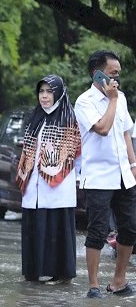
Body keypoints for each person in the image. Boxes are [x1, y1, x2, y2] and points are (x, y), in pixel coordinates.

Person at [74, 50, 136, 298]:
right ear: (97, 74)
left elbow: (125, 133)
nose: (116, 79)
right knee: (98, 231)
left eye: (118, 74)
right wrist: (111, 101)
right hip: (98, 176)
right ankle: (93, 284)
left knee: (130, 228)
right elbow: (102, 128)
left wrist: (133, 165)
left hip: (124, 175)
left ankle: (119, 280)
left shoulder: (120, 97)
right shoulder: (84, 101)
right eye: (112, 74)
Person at [16, 75, 81, 284]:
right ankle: (33, 271)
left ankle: (61, 274)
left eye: (49, 92)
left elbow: (74, 154)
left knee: (56, 227)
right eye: (41, 92)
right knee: (34, 225)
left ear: (59, 93)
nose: (44, 96)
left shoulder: (68, 120)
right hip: (33, 183)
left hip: (58, 186)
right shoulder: (35, 117)